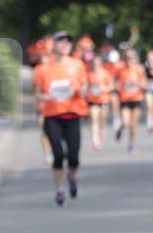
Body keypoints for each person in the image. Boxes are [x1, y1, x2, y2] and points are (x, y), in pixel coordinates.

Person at [33, 31, 88, 205]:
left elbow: (84, 87)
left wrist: (82, 90)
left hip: (72, 115)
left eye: (68, 42)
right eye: (61, 41)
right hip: (52, 116)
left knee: (73, 157)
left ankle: (71, 175)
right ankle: (59, 189)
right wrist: (44, 97)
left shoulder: (78, 65)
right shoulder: (43, 69)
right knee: (57, 155)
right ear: (53, 45)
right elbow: (37, 94)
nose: (64, 44)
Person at [115, 48, 147, 153]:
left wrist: (139, 83)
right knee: (125, 122)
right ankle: (120, 128)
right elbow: (116, 81)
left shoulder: (139, 69)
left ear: (135, 58)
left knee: (133, 124)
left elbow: (145, 83)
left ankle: (131, 145)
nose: (129, 60)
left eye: (131, 58)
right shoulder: (121, 69)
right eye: (127, 58)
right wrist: (117, 87)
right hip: (124, 99)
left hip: (136, 99)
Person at [87, 54, 114, 149]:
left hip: (103, 99)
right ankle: (95, 140)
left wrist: (104, 88)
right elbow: (86, 86)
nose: (95, 65)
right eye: (94, 63)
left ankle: (103, 129)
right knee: (94, 119)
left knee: (102, 119)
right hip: (92, 100)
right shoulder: (89, 74)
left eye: (97, 63)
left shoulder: (105, 73)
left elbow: (111, 86)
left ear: (101, 64)